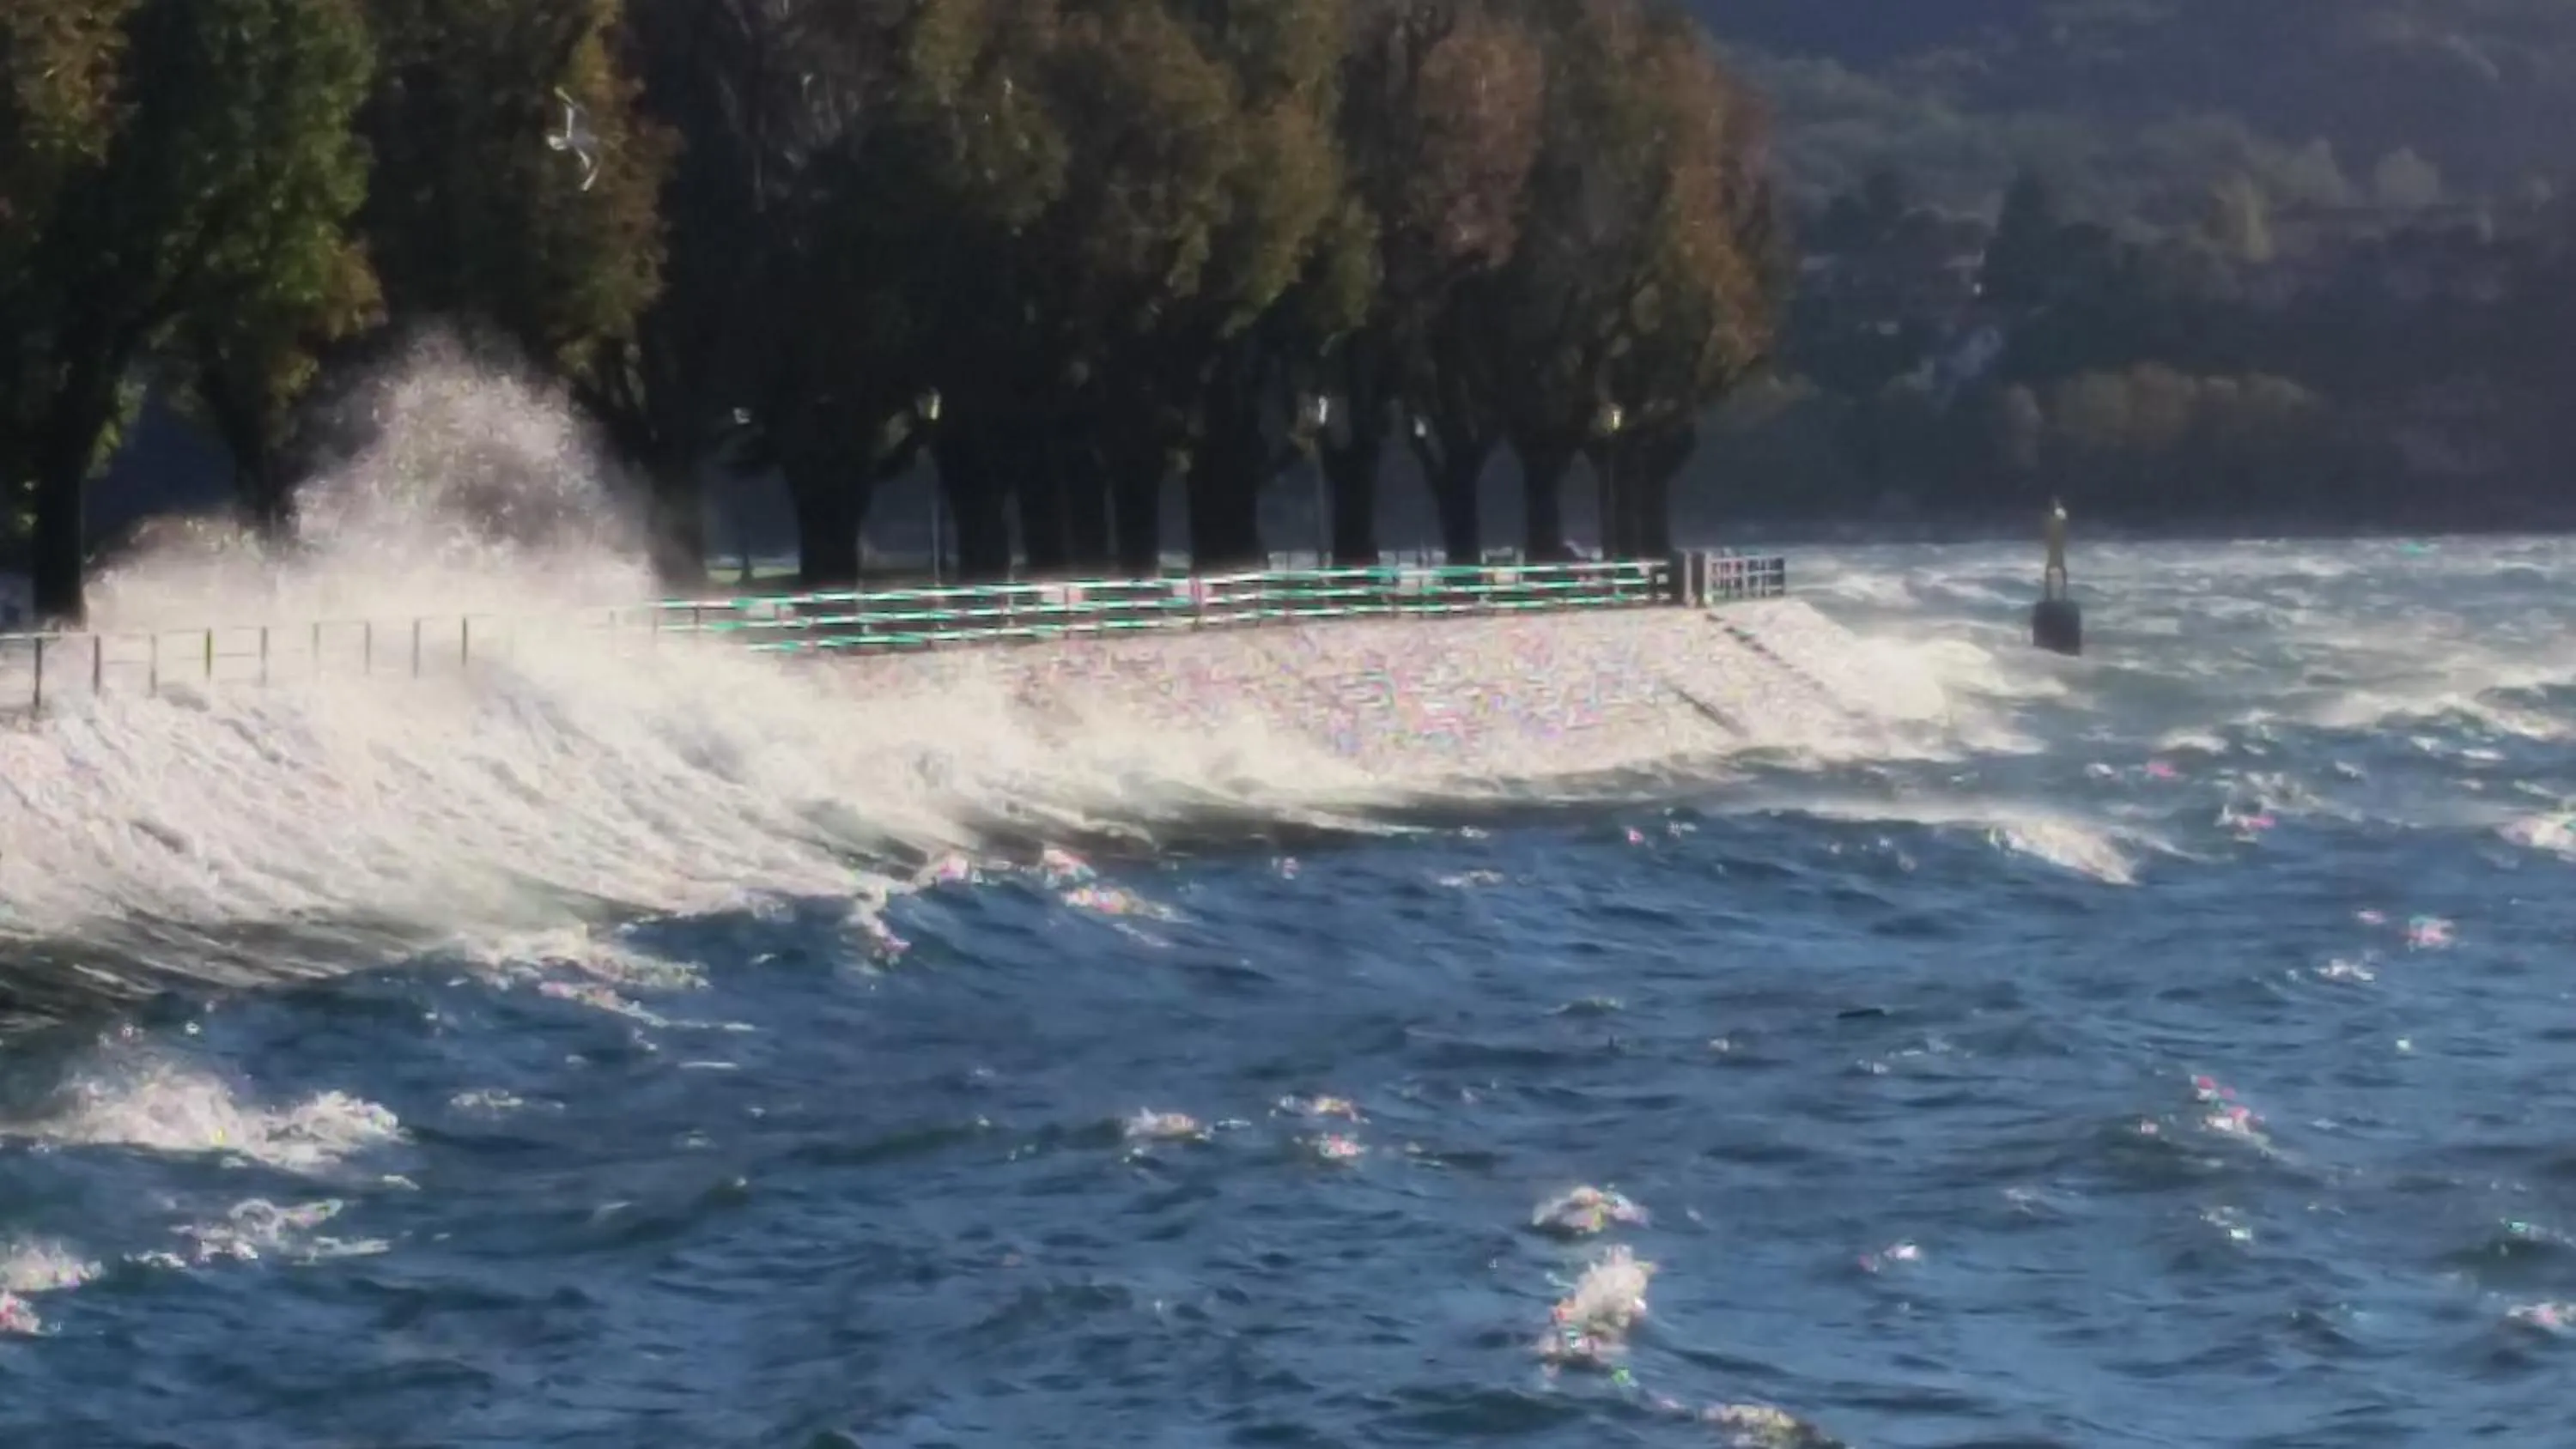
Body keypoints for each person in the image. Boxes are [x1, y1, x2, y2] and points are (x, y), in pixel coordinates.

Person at [2042, 497, 2069, 600]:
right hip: (2055, 547)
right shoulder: (2055, 519)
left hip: (2055, 547)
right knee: (2058, 569)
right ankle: (2061, 593)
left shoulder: (2052, 519)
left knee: (2053, 569)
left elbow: (2047, 533)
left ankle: (2052, 593)